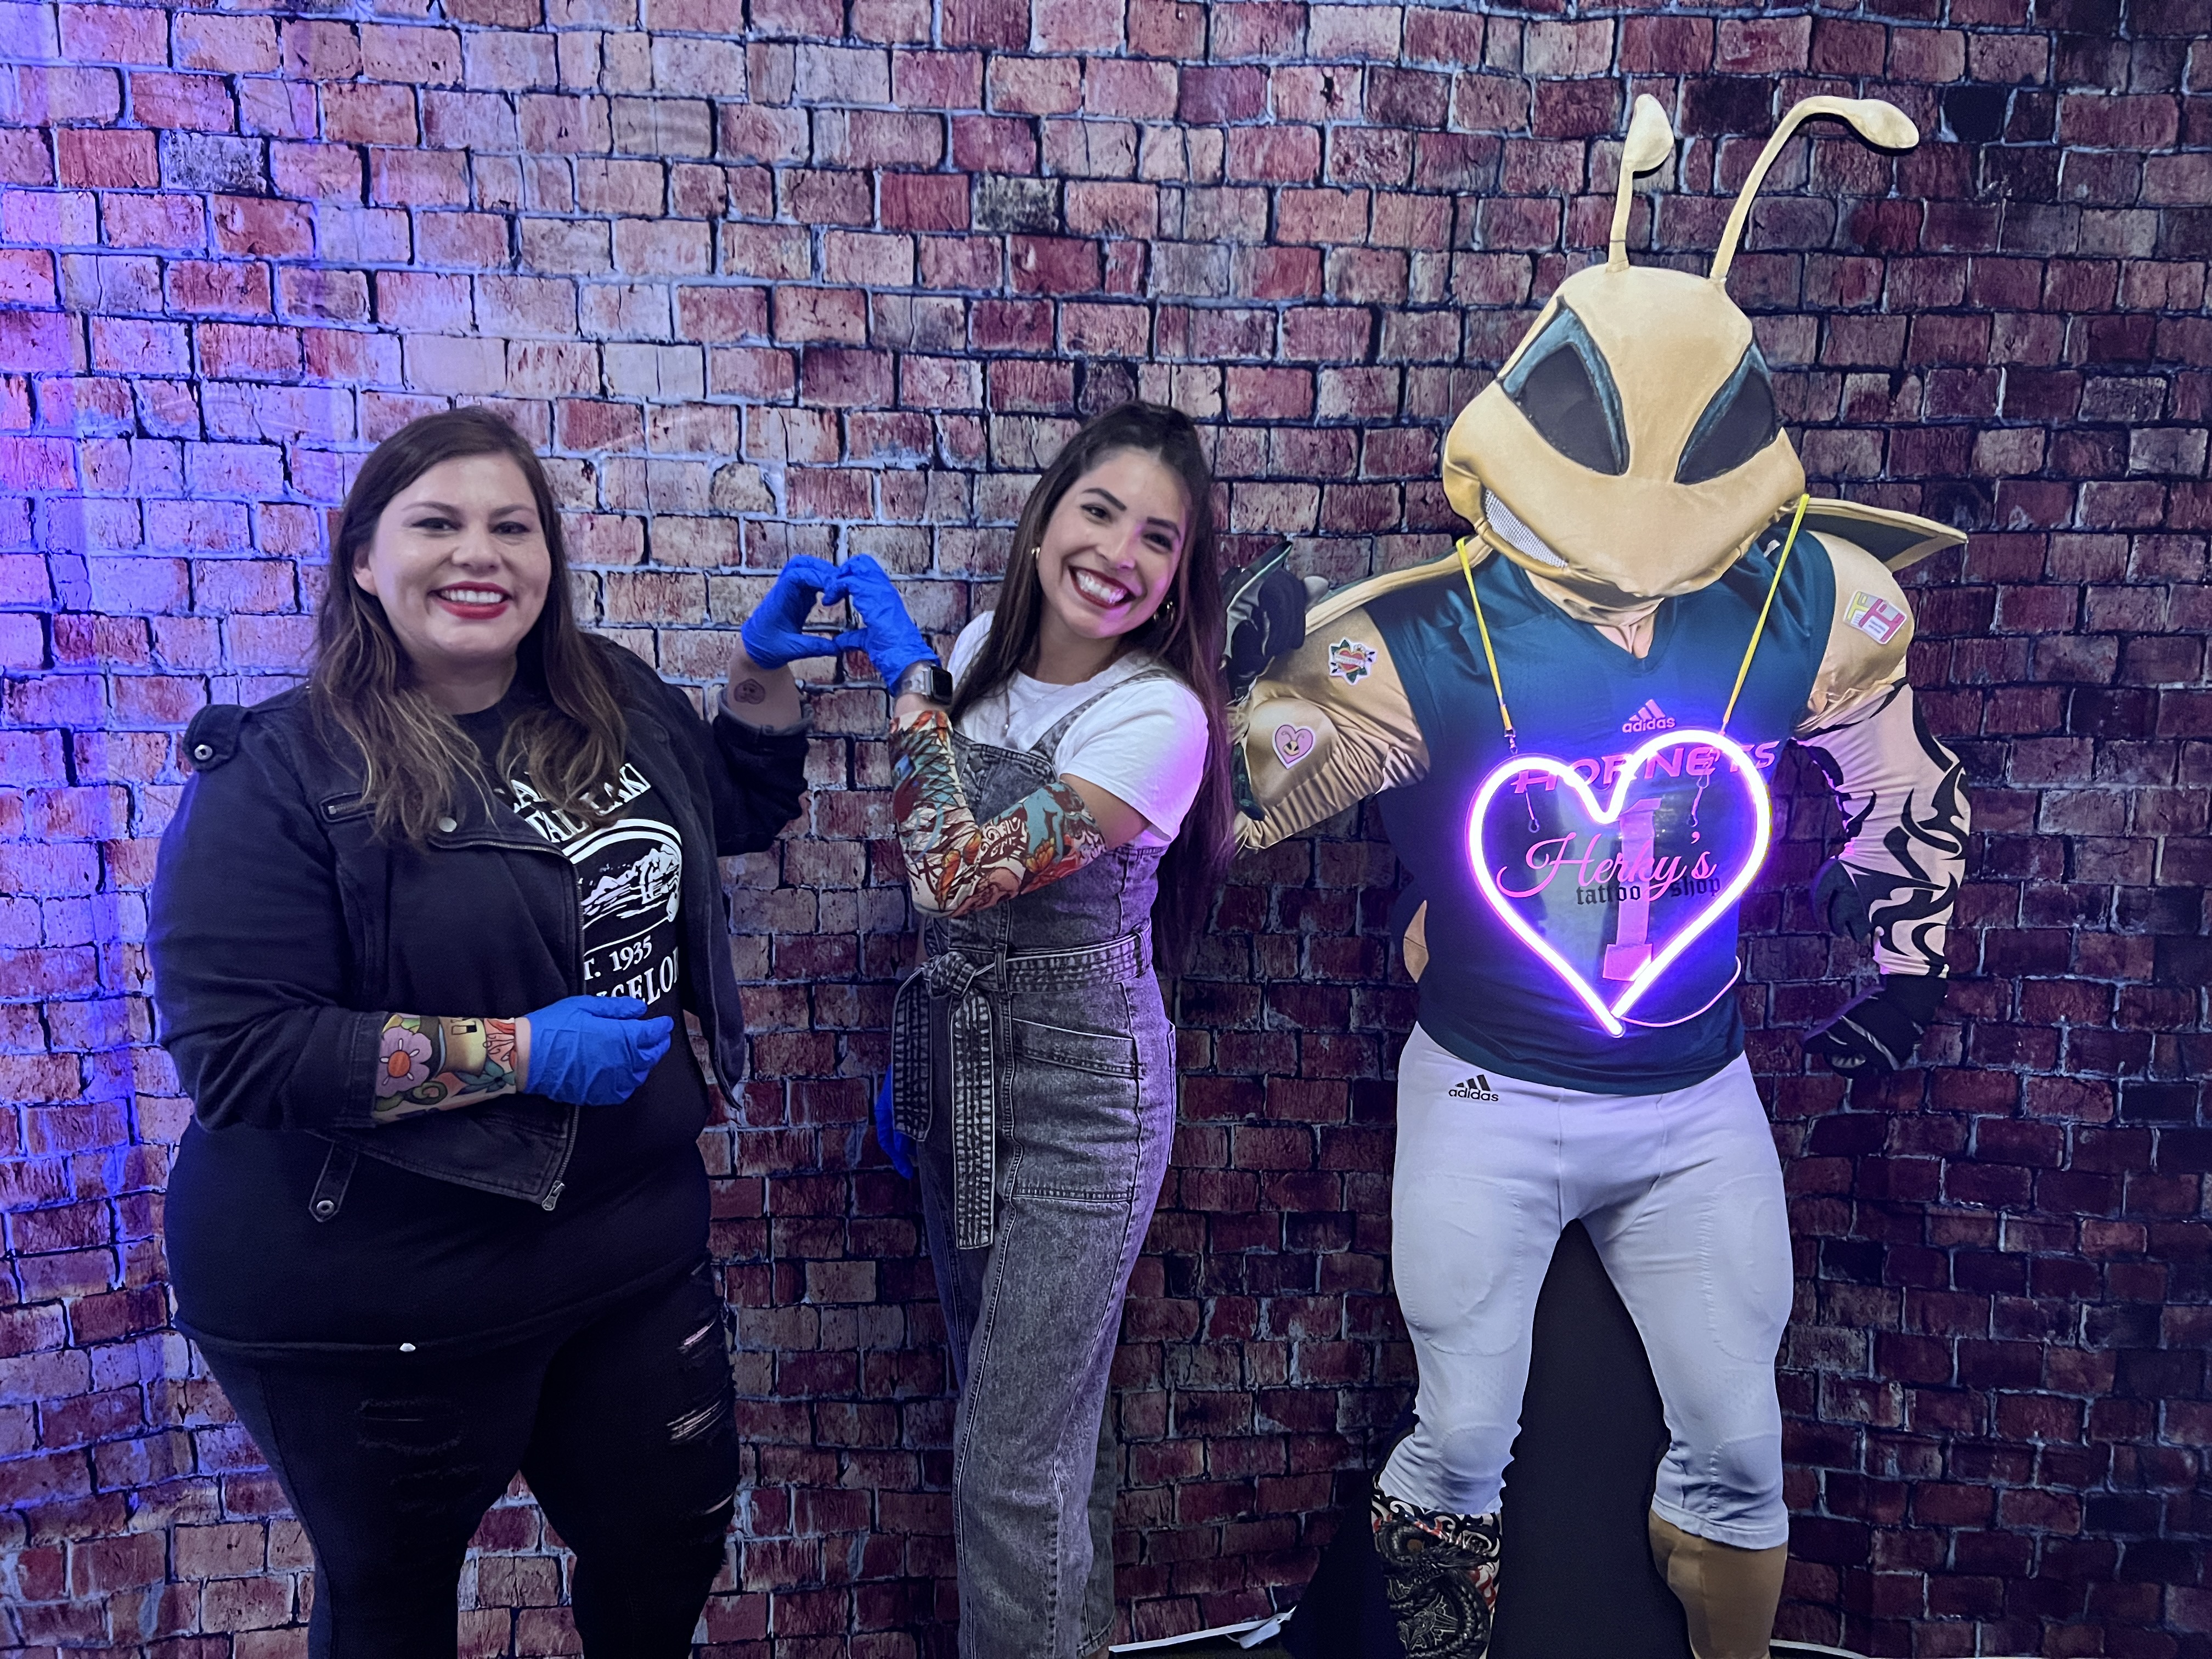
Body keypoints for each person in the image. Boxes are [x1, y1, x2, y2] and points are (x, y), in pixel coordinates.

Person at [1234, 99, 1969, 1659]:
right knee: (1459, 1442)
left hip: (1695, 1098)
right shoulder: (1422, 639)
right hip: (1491, 1094)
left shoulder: (1810, 602)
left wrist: (1909, 958)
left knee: (1741, 1449)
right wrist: (1207, 700)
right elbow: (1228, 813)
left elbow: (1896, 775)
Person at [148, 406, 846, 1657]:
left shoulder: (610, 695)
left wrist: (756, 674)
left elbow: (725, 811)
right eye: (438, 523)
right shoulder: (277, 771)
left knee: (667, 1547)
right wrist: (521, 1050)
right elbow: (242, 1055)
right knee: (396, 1600)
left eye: (511, 526)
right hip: (380, 1274)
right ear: (365, 558)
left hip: (626, 1243)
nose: (480, 554)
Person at [824, 403, 1233, 1659]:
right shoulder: (993, 641)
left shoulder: (1160, 717)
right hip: (962, 1069)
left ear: (1178, 577)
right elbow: (945, 905)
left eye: (1158, 539)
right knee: (1034, 1436)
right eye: (1100, 510)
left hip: (1083, 1099)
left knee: (1010, 1460)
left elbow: (951, 867)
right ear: (1050, 512)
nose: (1118, 552)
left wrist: (908, 687)